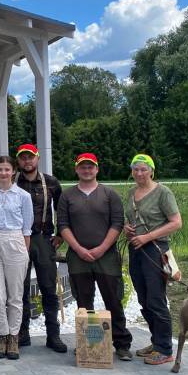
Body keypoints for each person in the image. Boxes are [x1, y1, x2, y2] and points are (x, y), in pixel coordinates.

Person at [57, 153, 133, 361]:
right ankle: (87, 343)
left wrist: (101, 248)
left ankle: (122, 343)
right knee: (83, 303)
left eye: (90, 167)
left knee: (113, 300)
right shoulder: (68, 196)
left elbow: (117, 223)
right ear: (77, 169)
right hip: (77, 256)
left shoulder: (110, 194)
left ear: (97, 169)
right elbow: (63, 225)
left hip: (106, 256)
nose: (87, 170)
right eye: (83, 167)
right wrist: (79, 249)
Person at [124, 153, 182, 365]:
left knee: (156, 299)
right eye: (136, 169)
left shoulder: (162, 192)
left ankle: (165, 348)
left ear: (151, 171)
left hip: (155, 250)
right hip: (136, 250)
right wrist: (127, 229)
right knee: (143, 299)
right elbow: (130, 219)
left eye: (143, 169)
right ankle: (156, 341)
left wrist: (147, 236)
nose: (139, 173)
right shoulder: (131, 193)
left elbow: (176, 222)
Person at [14, 144, 67, 353]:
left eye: (31, 157)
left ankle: (53, 335)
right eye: (23, 158)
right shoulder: (13, 181)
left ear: (37, 159)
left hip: (42, 238)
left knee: (48, 287)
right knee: (20, 288)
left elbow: (62, 210)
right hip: (17, 239)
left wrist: (61, 234)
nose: (27, 161)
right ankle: (22, 333)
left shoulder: (51, 182)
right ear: (18, 161)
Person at [0, 157, 33, 360]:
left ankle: (13, 336)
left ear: (13, 172)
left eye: (7, 169)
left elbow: (27, 228)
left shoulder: (23, 196)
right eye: (0, 169)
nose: (3, 173)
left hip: (15, 240)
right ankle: (1, 334)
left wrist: (24, 253)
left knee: (15, 295)